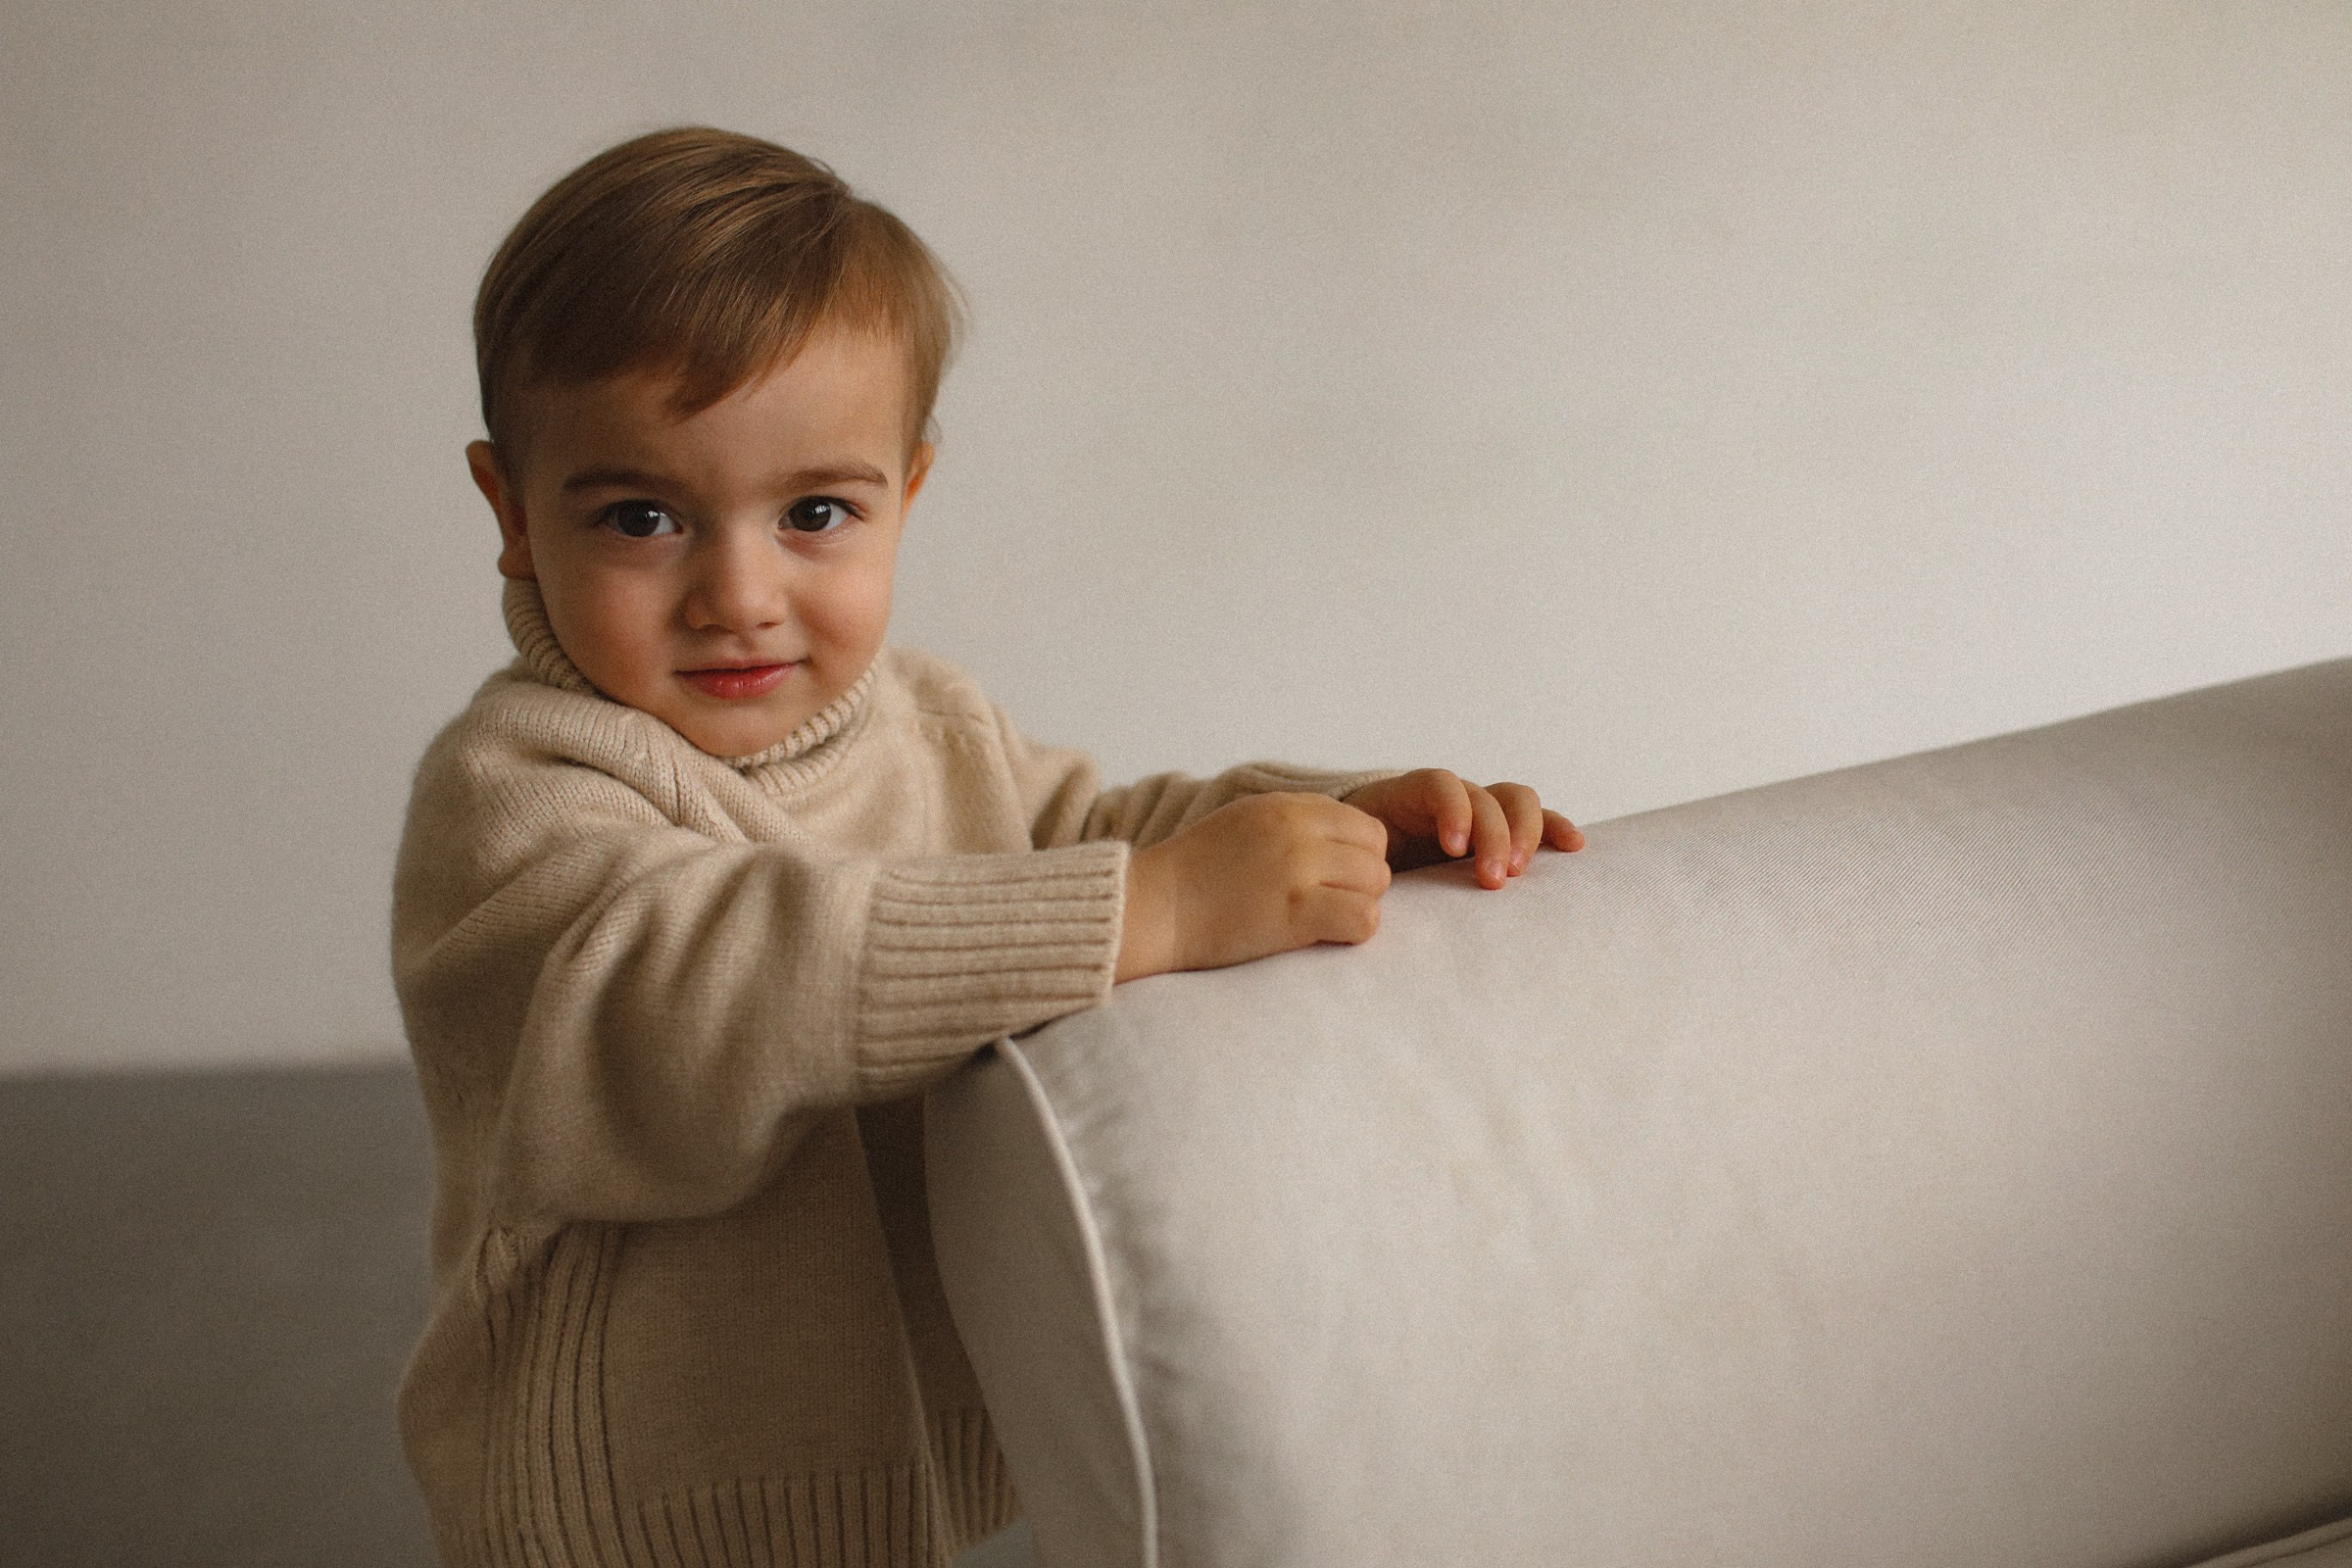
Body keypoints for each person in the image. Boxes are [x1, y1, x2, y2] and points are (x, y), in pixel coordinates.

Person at [391, 125, 1584, 1568]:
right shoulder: (521, 786)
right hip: (626, 1503)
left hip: (893, 1469)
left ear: (911, 492)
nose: (739, 593)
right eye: (643, 517)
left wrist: (1342, 816)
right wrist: (1143, 914)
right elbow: (692, 998)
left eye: (815, 512)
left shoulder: (927, 721)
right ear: (514, 516)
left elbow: (1091, 832)